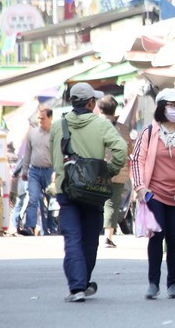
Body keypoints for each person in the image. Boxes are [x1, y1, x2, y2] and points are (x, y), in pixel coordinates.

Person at [49, 82, 127, 302]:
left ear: (72, 102)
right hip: (93, 190)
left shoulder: (58, 126)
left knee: (72, 238)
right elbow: (120, 149)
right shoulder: (102, 125)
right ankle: (83, 282)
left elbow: (52, 155)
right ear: (92, 103)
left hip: (66, 189)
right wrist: (109, 171)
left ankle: (77, 287)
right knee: (90, 238)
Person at [131, 88, 175, 300]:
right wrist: (141, 187)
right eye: (171, 105)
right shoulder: (149, 132)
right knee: (156, 236)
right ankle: (153, 283)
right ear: (161, 107)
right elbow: (137, 160)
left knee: (174, 240)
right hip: (154, 193)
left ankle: (172, 283)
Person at [97, 95, 132, 248]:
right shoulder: (123, 129)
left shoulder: (94, 126)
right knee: (112, 203)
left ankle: (90, 232)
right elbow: (129, 149)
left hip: (98, 170)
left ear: (99, 108)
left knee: (95, 201)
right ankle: (108, 237)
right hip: (119, 171)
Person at [21, 107, 54, 236]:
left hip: (49, 171)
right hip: (34, 171)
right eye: (39, 118)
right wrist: (24, 170)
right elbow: (27, 153)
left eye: (43, 118)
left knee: (51, 200)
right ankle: (30, 226)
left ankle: (52, 226)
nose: (40, 121)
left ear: (50, 118)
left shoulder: (55, 134)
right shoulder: (33, 133)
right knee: (33, 199)